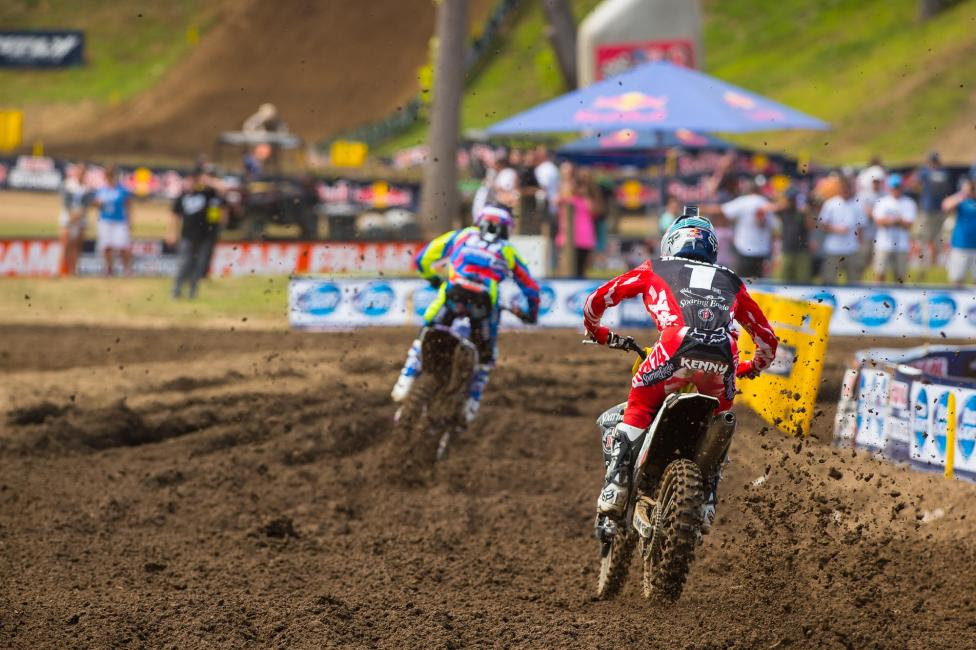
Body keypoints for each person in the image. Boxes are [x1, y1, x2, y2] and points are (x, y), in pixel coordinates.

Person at [582, 207, 778, 532]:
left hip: (675, 347)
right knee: (718, 427)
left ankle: (615, 486)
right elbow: (767, 340)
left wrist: (596, 331)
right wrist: (751, 367)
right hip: (722, 359)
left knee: (640, 406)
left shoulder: (654, 268)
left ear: (671, 243)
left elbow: (597, 299)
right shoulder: (730, 279)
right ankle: (707, 500)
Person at [391, 203, 540, 423]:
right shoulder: (508, 251)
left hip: (452, 295)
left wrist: (433, 279)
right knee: (487, 356)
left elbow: (422, 259)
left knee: (429, 329)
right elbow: (532, 289)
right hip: (484, 305)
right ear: (507, 228)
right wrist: (531, 314)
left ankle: (407, 376)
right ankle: (472, 401)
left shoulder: (461, 236)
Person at [169, 167, 225, 299]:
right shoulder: (182, 196)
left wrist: (208, 181)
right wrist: (171, 232)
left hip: (204, 235)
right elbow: (174, 215)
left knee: (198, 264)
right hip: (187, 235)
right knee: (184, 263)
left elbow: (223, 189)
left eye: (195, 180)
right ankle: (176, 290)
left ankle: (192, 291)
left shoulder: (207, 193)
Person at [703, 178, 775, 278]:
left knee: (742, 283)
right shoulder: (766, 203)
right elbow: (774, 227)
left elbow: (722, 210)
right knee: (759, 284)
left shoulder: (745, 201)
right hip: (762, 251)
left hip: (744, 250)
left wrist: (699, 208)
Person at [817, 176, 865, 284]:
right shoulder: (830, 203)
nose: (846, 191)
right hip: (833, 249)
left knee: (854, 280)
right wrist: (835, 229)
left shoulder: (857, 205)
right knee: (829, 280)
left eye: (848, 188)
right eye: (843, 188)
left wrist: (860, 246)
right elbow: (822, 224)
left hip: (852, 249)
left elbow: (861, 227)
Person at [872, 174, 917, 283]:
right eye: (893, 187)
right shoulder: (882, 202)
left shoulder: (909, 202)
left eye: (898, 186)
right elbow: (878, 222)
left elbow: (908, 224)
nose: (896, 189)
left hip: (901, 245)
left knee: (900, 277)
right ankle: (879, 297)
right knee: (880, 273)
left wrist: (891, 221)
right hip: (883, 244)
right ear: (889, 187)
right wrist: (897, 221)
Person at [92, 166, 133, 276]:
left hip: (120, 221)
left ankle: (127, 269)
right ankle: (109, 269)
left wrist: (130, 221)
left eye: (112, 175)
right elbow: (95, 204)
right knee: (106, 247)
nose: (110, 178)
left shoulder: (122, 190)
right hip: (105, 221)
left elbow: (128, 206)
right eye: (108, 175)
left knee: (123, 247)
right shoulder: (101, 190)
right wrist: (97, 204)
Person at [556, 170, 598, 276]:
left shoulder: (586, 200)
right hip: (569, 239)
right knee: (567, 269)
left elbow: (593, 210)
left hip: (585, 239)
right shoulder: (568, 200)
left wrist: (586, 194)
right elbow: (557, 201)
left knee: (581, 269)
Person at [914, 151, 951, 266]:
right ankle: (922, 262)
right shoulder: (925, 171)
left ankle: (933, 263)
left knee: (937, 238)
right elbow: (916, 184)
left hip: (938, 210)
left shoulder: (941, 172)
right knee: (924, 237)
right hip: (927, 209)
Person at [58, 163, 92, 276]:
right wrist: (72, 216)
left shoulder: (87, 188)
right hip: (68, 218)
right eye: (79, 171)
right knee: (66, 244)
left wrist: (78, 215)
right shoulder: (68, 184)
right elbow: (65, 202)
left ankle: (74, 270)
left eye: (83, 172)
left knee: (77, 245)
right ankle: (63, 270)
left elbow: (86, 205)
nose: (81, 174)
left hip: (81, 219)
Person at [941, 178, 976, 285]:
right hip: (961, 246)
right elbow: (946, 206)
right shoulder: (962, 201)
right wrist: (963, 193)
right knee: (956, 279)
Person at [777, 186, 814, 284]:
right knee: (783, 280)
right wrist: (783, 204)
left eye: (793, 198)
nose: (791, 201)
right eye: (789, 199)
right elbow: (769, 208)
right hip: (787, 250)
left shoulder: (803, 212)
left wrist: (807, 213)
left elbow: (810, 227)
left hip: (802, 251)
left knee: (803, 280)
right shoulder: (783, 210)